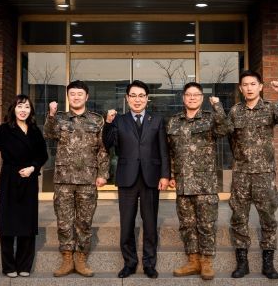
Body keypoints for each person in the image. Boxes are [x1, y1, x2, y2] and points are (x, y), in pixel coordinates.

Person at [226, 70, 278, 280]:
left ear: (260, 86)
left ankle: (268, 263)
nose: (249, 88)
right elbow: (230, 138)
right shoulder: (235, 111)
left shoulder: (270, 108)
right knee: (239, 217)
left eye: (253, 84)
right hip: (241, 174)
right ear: (240, 88)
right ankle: (242, 263)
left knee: (268, 217)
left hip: (264, 174)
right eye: (245, 85)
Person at [103, 80, 170, 279]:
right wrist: (108, 123)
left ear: (147, 99)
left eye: (141, 96)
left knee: (150, 224)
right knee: (127, 224)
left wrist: (165, 175)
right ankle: (129, 263)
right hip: (127, 178)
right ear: (127, 98)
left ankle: (149, 264)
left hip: (151, 178)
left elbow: (164, 150)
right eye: (133, 96)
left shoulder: (157, 120)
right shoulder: (119, 120)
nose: (137, 99)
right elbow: (107, 144)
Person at [44, 80, 109, 277]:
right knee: (64, 221)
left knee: (85, 221)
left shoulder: (97, 120)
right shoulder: (59, 118)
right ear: (68, 96)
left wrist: (103, 174)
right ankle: (66, 259)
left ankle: (80, 259)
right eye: (72, 94)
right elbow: (48, 134)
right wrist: (51, 114)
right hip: (63, 179)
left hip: (88, 179)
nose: (76, 97)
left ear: (86, 97)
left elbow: (103, 149)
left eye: (80, 94)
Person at [166, 82, 231, 281]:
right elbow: (170, 151)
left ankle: (207, 262)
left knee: (206, 224)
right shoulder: (174, 121)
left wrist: (218, 106)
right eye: (189, 94)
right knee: (187, 225)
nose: (192, 98)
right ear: (183, 98)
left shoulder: (211, 118)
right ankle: (193, 261)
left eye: (196, 95)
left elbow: (225, 129)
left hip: (205, 184)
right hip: (183, 183)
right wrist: (171, 175)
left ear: (202, 98)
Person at [0, 94, 49, 278]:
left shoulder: (35, 130)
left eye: (27, 107)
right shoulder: (5, 129)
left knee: (27, 222)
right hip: (9, 179)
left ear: (31, 111)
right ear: (14, 109)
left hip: (29, 179)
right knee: (8, 221)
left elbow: (43, 154)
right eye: (20, 106)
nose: (23, 110)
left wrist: (33, 168)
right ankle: (8, 266)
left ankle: (24, 265)